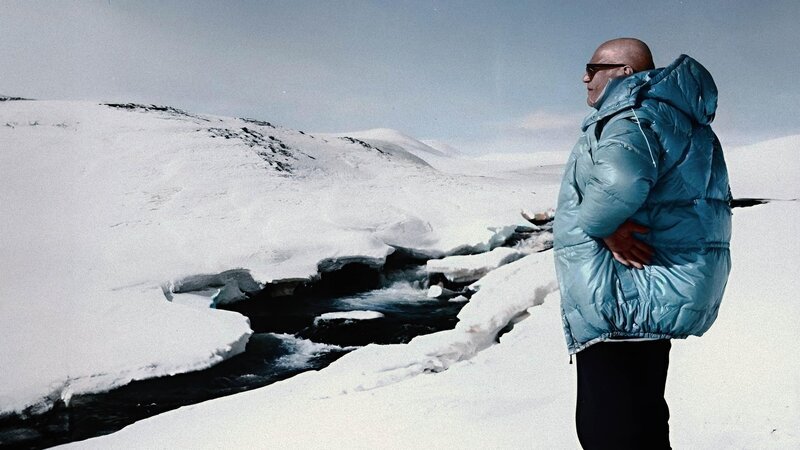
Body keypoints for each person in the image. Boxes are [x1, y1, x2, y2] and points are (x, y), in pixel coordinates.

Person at [553, 38, 732, 449]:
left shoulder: (632, 114)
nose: (585, 77)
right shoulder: (672, 115)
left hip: (624, 298)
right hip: (650, 296)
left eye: (592, 67)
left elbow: (621, 181)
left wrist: (601, 223)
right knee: (643, 423)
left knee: (608, 432)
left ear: (624, 72)